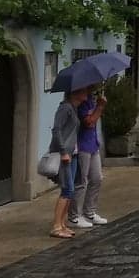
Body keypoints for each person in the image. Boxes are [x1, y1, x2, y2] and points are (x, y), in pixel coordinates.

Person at [48, 88, 87, 240]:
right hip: (66, 155)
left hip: (73, 153)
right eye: (84, 91)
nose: (87, 94)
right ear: (75, 93)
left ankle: (62, 224)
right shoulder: (65, 108)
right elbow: (56, 130)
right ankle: (56, 226)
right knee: (67, 189)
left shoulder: (74, 109)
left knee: (70, 190)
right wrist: (63, 151)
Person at [68, 86, 107, 229]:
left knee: (97, 178)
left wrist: (98, 105)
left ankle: (89, 212)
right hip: (82, 145)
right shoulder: (81, 103)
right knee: (81, 181)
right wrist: (100, 107)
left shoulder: (91, 99)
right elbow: (89, 123)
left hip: (93, 144)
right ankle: (74, 217)